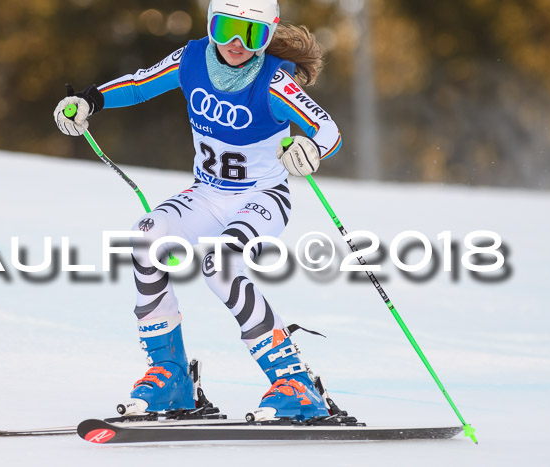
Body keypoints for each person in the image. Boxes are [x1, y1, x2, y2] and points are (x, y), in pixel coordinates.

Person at [54, 0, 342, 421]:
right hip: (207, 194)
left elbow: (328, 129)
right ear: (210, 24)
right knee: (146, 237)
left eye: (253, 34)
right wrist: (89, 101)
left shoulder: (274, 81)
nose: (237, 44)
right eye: (226, 28)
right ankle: (171, 377)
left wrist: (311, 149)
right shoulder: (191, 60)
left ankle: (295, 381)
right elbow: (139, 83)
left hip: (261, 198)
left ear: (268, 35)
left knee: (220, 265)